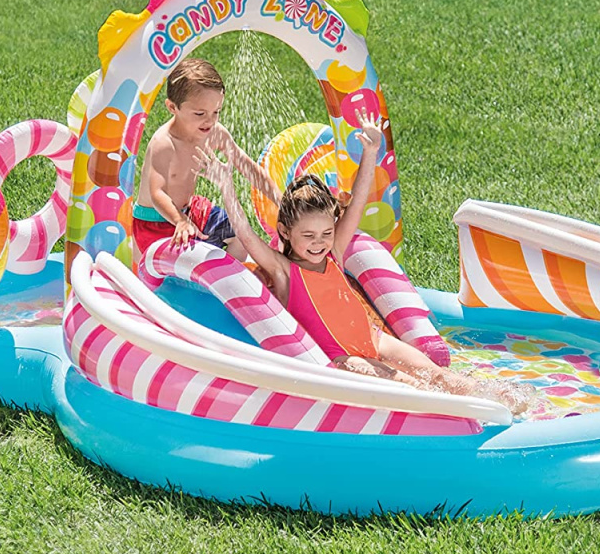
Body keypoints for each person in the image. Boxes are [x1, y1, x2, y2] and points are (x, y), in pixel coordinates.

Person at [196, 108, 534, 415]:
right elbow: (247, 235)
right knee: (412, 387)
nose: (319, 243)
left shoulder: (334, 255)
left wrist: (370, 152)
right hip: (343, 360)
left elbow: (356, 205)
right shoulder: (283, 271)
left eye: (326, 233)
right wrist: (226, 186)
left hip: (374, 339)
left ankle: (510, 405)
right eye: (308, 236)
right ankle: (466, 418)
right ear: (285, 231)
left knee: (436, 375)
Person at [133, 58, 281, 262]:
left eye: (216, 112)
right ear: (172, 107)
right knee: (187, 263)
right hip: (155, 222)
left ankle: (224, 281)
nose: (210, 120)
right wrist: (180, 221)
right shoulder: (165, 142)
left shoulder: (214, 133)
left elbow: (248, 168)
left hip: (189, 210)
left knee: (239, 235)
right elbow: (157, 193)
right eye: (200, 113)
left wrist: (280, 200)